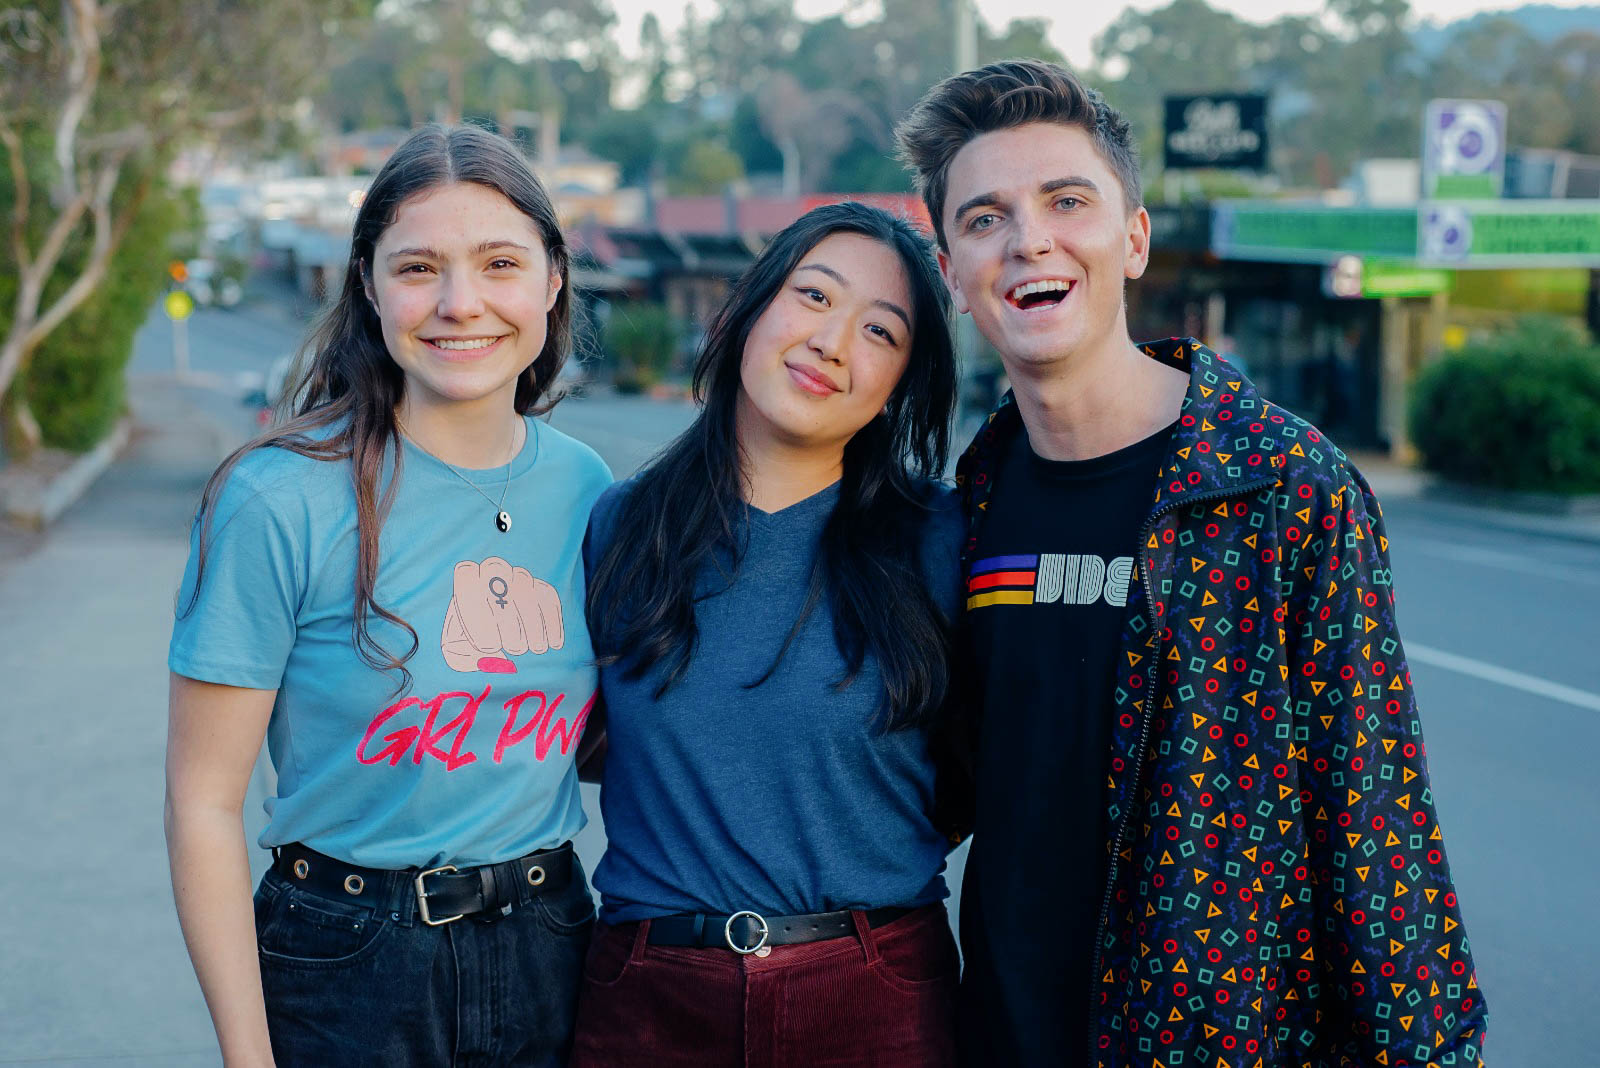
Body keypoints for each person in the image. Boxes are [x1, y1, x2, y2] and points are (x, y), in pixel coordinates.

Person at [895, 61, 1488, 1066]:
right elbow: (952, 782)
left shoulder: (1282, 485)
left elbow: (1376, 821)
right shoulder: (976, 497)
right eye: (984, 217)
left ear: (1132, 240)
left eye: (1065, 201)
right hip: (1003, 1035)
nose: (1028, 238)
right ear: (951, 270)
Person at [164, 124, 610, 1067]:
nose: (461, 304)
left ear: (552, 280)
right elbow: (204, 802)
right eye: (418, 268)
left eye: (499, 263)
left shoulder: (588, 489)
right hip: (345, 956)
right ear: (368, 285)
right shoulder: (276, 498)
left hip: (551, 942)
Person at [571, 201, 965, 1067]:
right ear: (748, 306)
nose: (832, 342)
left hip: (876, 995)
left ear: (901, 382)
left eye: (881, 333)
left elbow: (983, 768)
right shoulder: (621, 526)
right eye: (813, 296)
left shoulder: (944, 540)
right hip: (648, 995)